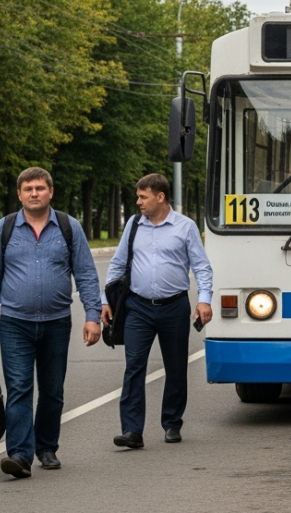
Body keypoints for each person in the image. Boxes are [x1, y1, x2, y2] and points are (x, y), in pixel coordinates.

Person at [0, 167, 102, 479]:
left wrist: (92, 315)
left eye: (40, 188)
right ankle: (19, 454)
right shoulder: (4, 229)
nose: (34, 193)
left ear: (50, 192)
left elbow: (85, 273)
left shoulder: (68, 227)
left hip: (57, 324)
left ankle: (46, 447)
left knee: (53, 390)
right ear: (19, 194)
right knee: (19, 388)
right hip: (15, 323)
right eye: (28, 188)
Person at [103, 173, 214, 449]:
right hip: (137, 307)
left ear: (160, 197)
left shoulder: (185, 227)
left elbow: (201, 267)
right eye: (137, 196)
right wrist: (105, 301)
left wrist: (204, 300)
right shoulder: (133, 225)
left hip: (174, 307)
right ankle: (131, 430)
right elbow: (118, 265)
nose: (138, 201)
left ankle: (172, 423)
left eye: (143, 197)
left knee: (176, 368)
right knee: (134, 367)